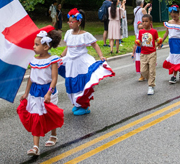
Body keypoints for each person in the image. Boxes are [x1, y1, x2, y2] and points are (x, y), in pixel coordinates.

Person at [18, 26, 64, 156]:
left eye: (36, 44)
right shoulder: (33, 60)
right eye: (34, 44)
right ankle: (35, 146)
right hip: (34, 91)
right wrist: (26, 93)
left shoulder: (52, 60)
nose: (34, 47)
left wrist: (49, 92)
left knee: (50, 114)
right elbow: (31, 79)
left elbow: (54, 79)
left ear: (46, 47)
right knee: (35, 115)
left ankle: (53, 136)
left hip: (46, 90)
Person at [59, 8, 115, 115]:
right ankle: (77, 104)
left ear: (79, 22)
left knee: (81, 84)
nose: (70, 24)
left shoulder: (85, 35)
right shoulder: (68, 33)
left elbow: (95, 44)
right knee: (71, 83)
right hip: (70, 63)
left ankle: (84, 106)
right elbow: (68, 47)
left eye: (72, 21)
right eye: (69, 21)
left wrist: (101, 56)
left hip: (81, 64)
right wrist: (61, 56)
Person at [161, 5, 180, 83]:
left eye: (175, 15)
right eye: (172, 16)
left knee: (176, 58)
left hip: (178, 43)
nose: (173, 17)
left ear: (179, 14)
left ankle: (174, 76)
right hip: (172, 43)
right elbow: (166, 33)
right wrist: (161, 41)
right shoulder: (169, 22)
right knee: (174, 58)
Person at [133, 14, 161, 95]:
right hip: (143, 53)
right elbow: (139, 41)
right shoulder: (141, 31)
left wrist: (159, 43)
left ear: (150, 22)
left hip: (152, 53)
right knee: (143, 71)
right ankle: (150, 79)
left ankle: (151, 86)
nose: (144, 23)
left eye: (146, 21)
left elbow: (157, 39)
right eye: (143, 21)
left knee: (152, 70)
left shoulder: (154, 31)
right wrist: (138, 44)